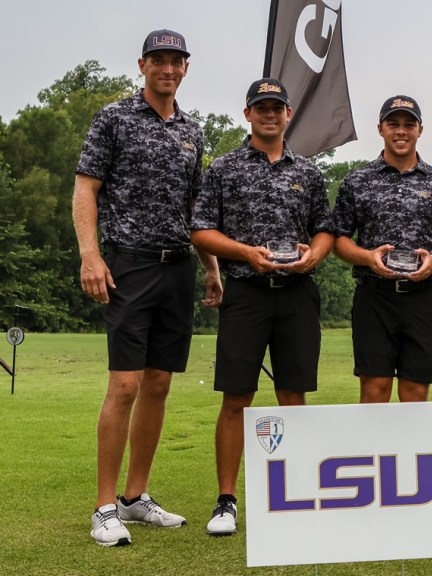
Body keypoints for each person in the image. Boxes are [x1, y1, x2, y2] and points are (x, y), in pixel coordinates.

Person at [73, 29, 222, 547]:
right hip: (128, 265)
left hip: (178, 265)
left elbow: (196, 210)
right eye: (158, 60)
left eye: (176, 61)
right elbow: (86, 187)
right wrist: (91, 255)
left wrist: (211, 267)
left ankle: (137, 498)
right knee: (126, 384)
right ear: (143, 65)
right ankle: (105, 507)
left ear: (185, 68)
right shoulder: (113, 117)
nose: (167, 68)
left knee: (159, 382)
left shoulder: (192, 130)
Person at [191, 78, 334, 536]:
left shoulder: (309, 172)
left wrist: (315, 253)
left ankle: (296, 490)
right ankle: (227, 500)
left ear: (288, 114)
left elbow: (325, 228)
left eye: (278, 108)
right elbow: (200, 231)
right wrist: (245, 252)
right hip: (247, 293)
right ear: (248, 113)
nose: (270, 114)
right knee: (237, 397)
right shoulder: (225, 168)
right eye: (261, 107)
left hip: (296, 293)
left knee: (294, 395)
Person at [334, 95, 432, 403]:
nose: (401, 131)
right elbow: (338, 240)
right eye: (393, 124)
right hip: (374, 297)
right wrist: (367, 257)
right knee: (375, 391)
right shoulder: (357, 181)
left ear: (421, 130)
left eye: (409, 124)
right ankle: (373, 452)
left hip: (422, 299)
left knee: (416, 393)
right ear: (380, 128)